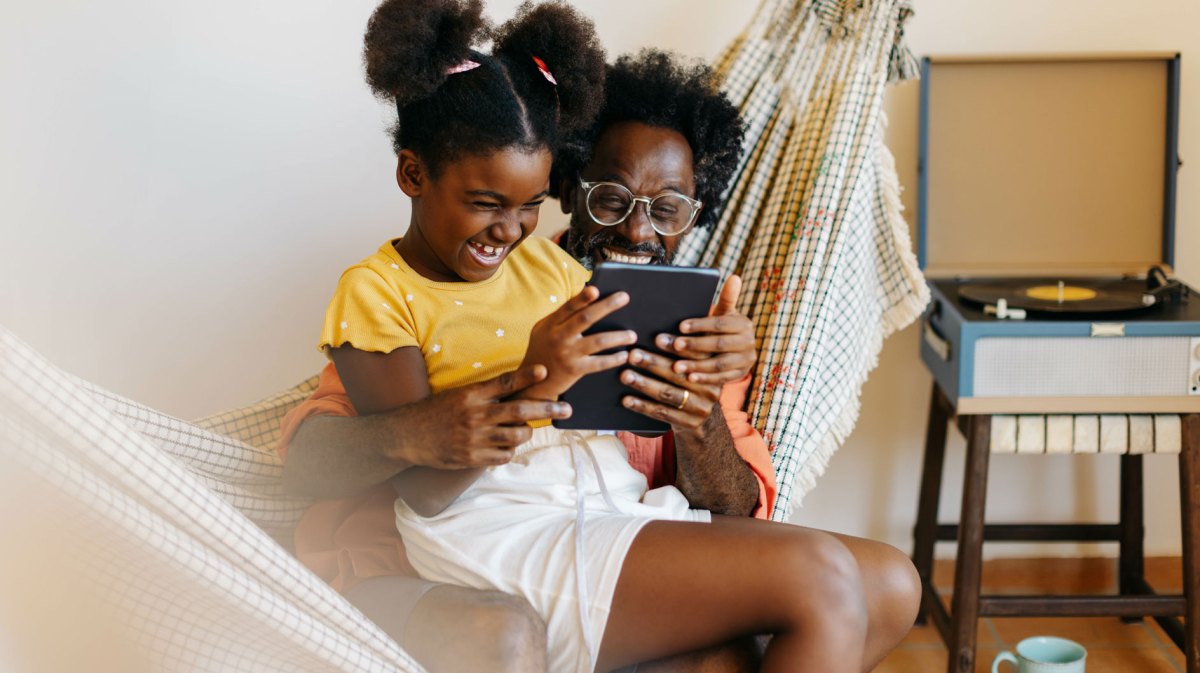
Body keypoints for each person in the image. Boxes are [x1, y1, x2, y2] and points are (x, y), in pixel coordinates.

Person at [278, 4, 919, 671]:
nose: (638, 232)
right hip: (503, 536)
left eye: (666, 209)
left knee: (893, 584)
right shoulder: (391, 292)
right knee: (816, 578)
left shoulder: (576, 280)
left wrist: (701, 395)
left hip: (604, 513)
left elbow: (737, 503)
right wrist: (538, 375)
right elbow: (361, 461)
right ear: (573, 185)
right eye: (611, 199)